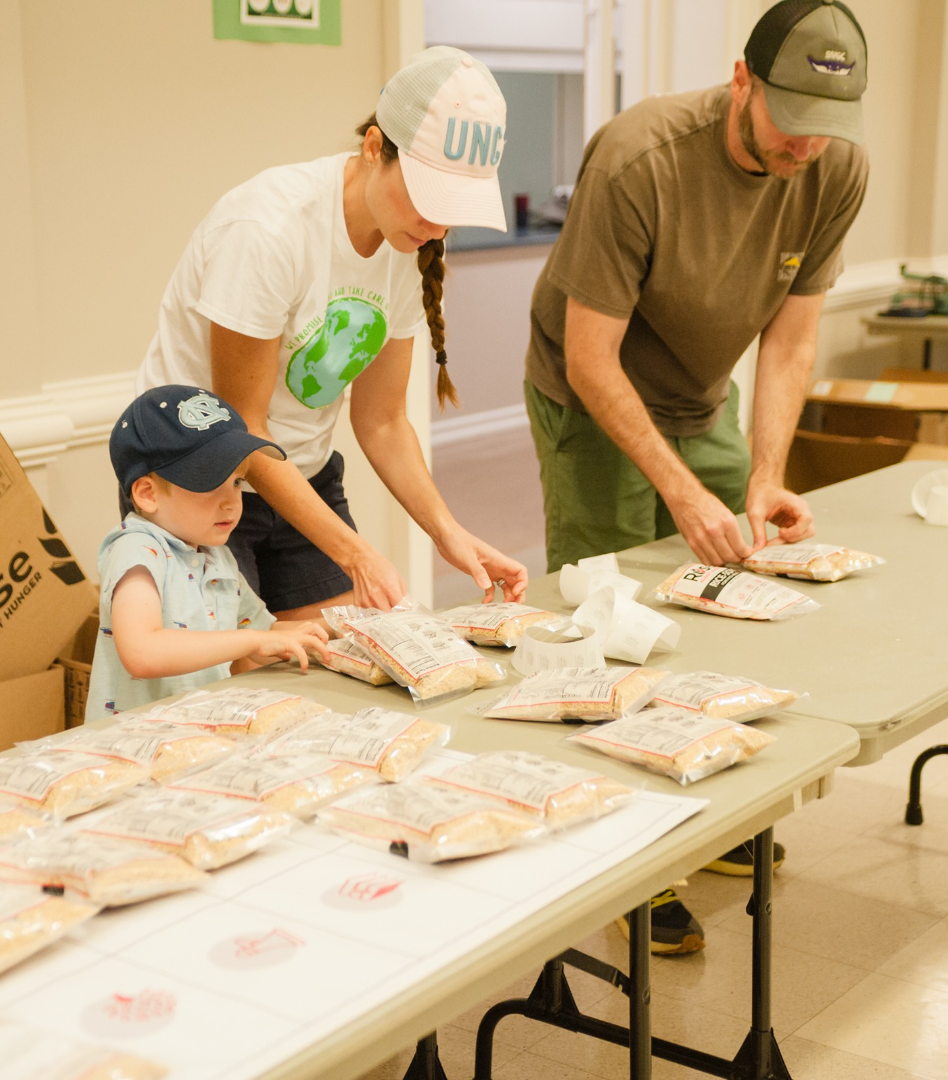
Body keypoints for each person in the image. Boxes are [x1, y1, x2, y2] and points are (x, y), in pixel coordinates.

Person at [525, 0, 869, 952]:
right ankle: (630, 864)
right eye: (791, 116)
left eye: (829, 127)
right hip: (590, 391)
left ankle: (702, 808)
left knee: (732, 594)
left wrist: (763, 475)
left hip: (700, 393)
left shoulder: (835, 165)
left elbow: (793, 336)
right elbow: (594, 358)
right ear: (742, 81)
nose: (809, 145)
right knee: (611, 626)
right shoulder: (643, 160)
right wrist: (682, 492)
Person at [135, 46, 527, 621]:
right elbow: (244, 428)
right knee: (235, 687)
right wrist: (357, 553)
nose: (438, 226)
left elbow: (383, 420)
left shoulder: (405, 243)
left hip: (300, 476)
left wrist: (448, 533)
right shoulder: (267, 231)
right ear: (375, 148)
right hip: (196, 478)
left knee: (343, 665)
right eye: (427, 198)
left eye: (453, 208)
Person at [86, 385, 331, 720]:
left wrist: (337, 627)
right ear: (147, 494)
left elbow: (257, 633)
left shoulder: (218, 557)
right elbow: (142, 652)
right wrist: (253, 643)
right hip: (134, 747)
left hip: (198, 733)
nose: (231, 500)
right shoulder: (136, 551)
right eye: (210, 482)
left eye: (237, 482)